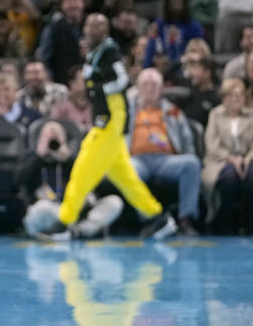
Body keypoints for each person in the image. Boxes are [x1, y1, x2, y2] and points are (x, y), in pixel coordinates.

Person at [40, 14, 177, 240]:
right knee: (125, 177)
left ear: (105, 31)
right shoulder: (94, 52)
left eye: (96, 27)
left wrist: (101, 88)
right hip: (105, 115)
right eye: (87, 26)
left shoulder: (110, 51)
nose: (89, 30)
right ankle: (158, 218)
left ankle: (65, 221)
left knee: (82, 169)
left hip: (111, 117)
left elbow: (122, 80)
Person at [126, 69, 203, 236]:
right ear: (138, 88)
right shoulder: (128, 109)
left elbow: (186, 138)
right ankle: (150, 220)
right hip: (137, 159)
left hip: (165, 160)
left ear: (161, 89)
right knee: (127, 170)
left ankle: (185, 220)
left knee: (192, 163)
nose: (150, 88)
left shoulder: (172, 111)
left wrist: (185, 153)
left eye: (154, 85)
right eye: (145, 84)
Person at [203, 79, 253, 235]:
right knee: (229, 177)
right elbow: (212, 145)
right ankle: (227, 226)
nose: (236, 99)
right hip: (221, 160)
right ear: (224, 98)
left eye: (240, 95)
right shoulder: (215, 114)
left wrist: (249, 158)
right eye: (231, 95)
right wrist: (231, 158)